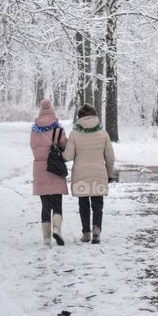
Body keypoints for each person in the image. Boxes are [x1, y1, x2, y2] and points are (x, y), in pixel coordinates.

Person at [64, 104, 116, 244]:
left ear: (80, 117)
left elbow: (68, 156)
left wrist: (59, 151)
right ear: (95, 116)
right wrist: (109, 173)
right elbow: (110, 157)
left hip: (81, 174)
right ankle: (97, 229)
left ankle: (86, 233)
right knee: (97, 204)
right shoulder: (103, 133)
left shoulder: (74, 134)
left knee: (83, 204)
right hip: (99, 173)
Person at [30, 99, 68, 246]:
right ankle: (57, 229)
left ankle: (46, 237)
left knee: (45, 205)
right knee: (57, 203)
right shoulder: (58, 129)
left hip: (40, 169)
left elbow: (33, 146)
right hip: (55, 168)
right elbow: (64, 145)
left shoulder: (34, 130)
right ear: (52, 112)